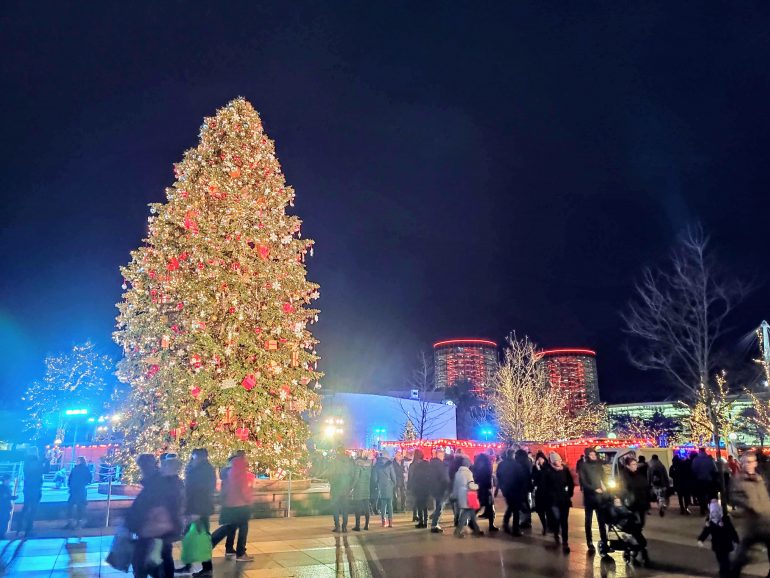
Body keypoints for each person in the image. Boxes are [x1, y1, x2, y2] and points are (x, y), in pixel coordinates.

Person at [126, 454, 183, 578]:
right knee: (161, 560)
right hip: (160, 531)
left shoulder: (156, 483)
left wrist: (131, 523)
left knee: (144, 564)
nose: (142, 469)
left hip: (155, 532)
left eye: (143, 466)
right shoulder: (158, 481)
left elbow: (145, 507)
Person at [176, 448, 217, 577]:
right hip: (193, 508)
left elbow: (204, 492)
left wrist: (197, 512)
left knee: (202, 538)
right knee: (190, 537)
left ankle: (206, 568)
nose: (195, 457)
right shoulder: (193, 468)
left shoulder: (205, 470)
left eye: (198, 456)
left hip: (199, 510)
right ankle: (189, 565)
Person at [730, 451, 770, 577]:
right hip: (752, 524)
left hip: (766, 521)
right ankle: (732, 574)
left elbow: (765, 496)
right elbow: (733, 496)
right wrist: (748, 503)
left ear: (756, 463)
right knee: (742, 555)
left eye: (752, 461)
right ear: (742, 464)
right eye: (747, 462)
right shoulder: (738, 480)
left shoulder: (760, 478)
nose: (750, 464)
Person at [211, 453, 254, 561]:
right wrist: (249, 500)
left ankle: (229, 549)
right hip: (240, 506)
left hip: (230, 505)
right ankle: (240, 553)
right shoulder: (241, 473)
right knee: (241, 528)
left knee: (230, 527)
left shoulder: (229, 472)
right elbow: (244, 490)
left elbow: (224, 489)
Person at [697, 499, 739, 578]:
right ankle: (725, 572)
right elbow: (706, 531)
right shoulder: (711, 521)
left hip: (725, 543)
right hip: (719, 544)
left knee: (724, 560)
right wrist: (701, 539)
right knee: (721, 559)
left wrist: (736, 540)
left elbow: (732, 530)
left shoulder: (725, 519)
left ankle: (725, 573)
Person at [578, 447, 608, 553]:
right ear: (587, 456)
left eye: (594, 455)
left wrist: (606, 486)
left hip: (600, 497)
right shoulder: (583, 466)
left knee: (602, 521)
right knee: (588, 521)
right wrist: (594, 489)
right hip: (590, 497)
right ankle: (589, 542)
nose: (594, 457)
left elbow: (604, 478)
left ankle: (604, 540)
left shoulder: (599, 466)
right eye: (591, 455)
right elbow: (584, 482)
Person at [543, 451, 574, 553]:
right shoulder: (548, 471)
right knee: (556, 519)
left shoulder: (565, 470)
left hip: (564, 499)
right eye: (556, 460)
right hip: (553, 500)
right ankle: (556, 533)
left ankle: (565, 541)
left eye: (559, 460)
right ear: (552, 462)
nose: (559, 462)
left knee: (564, 520)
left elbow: (570, 482)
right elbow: (545, 486)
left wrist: (569, 493)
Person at [452, 455, 482, 537]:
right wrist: (478, 486)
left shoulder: (458, 473)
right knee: (465, 514)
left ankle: (477, 530)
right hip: (468, 496)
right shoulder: (468, 473)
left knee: (471, 514)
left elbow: (455, 486)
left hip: (461, 495)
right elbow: (471, 485)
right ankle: (457, 531)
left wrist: (454, 495)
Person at [620, 456, 651, 529]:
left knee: (642, 522)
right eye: (633, 464)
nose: (635, 466)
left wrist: (648, 499)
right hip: (632, 504)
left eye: (636, 464)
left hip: (642, 503)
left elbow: (645, 487)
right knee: (636, 522)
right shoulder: (624, 476)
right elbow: (623, 489)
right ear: (628, 466)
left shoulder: (639, 474)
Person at [473, 452, 499, 532]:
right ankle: (491, 525)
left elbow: (475, 478)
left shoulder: (476, 467)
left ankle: (471, 521)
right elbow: (489, 478)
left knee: (480, 506)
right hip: (487, 489)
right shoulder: (487, 467)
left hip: (480, 488)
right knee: (489, 507)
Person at [20, 451, 44, 536]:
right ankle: (28, 529)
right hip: (36, 489)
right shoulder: (38, 465)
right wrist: (46, 461)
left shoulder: (26, 464)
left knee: (26, 507)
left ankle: (19, 527)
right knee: (33, 509)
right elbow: (45, 470)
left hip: (27, 489)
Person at [66, 456, 92, 529]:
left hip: (74, 490)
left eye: (78, 460)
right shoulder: (85, 469)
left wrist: (70, 486)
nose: (76, 461)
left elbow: (70, 478)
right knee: (80, 507)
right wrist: (84, 483)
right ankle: (78, 523)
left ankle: (71, 522)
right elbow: (89, 478)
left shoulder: (75, 469)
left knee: (70, 506)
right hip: (80, 489)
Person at [407, 449, 431, 528]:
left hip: (417, 487)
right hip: (425, 487)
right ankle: (425, 522)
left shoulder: (413, 465)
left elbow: (411, 477)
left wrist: (409, 486)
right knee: (425, 506)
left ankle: (420, 521)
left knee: (419, 505)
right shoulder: (426, 464)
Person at [428, 449, 450, 533]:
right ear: (439, 455)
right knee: (439, 507)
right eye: (442, 454)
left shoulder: (431, 464)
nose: (443, 456)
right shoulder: (441, 465)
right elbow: (444, 478)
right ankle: (434, 524)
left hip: (434, 488)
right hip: (441, 488)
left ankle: (434, 522)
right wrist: (448, 486)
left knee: (438, 505)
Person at [692, 448, 718, 516]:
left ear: (699, 451)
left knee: (701, 495)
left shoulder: (696, 460)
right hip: (709, 480)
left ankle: (702, 509)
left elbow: (693, 470)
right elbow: (715, 469)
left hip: (700, 480)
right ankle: (710, 508)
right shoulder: (709, 459)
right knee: (710, 495)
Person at [351, 452, 372, 531]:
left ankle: (357, 526)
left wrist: (351, 487)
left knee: (358, 508)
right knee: (367, 507)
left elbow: (356, 478)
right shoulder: (369, 466)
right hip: (366, 488)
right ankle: (367, 525)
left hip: (358, 489)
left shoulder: (358, 466)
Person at [531, 451, 551, 535]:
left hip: (547, 491)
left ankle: (549, 526)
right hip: (539, 491)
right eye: (538, 459)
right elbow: (534, 478)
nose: (540, 460)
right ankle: (544, 526)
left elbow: (545, 478)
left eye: (541, 458)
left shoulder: (548, 467)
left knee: (548, 510)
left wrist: (539, 470)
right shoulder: (535, 468)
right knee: (540, 510)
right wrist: (537, 468)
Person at [514, 449, 533, 529]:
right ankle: (527, 520)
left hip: (521, 487)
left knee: (523, 503)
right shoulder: (528, 462)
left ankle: (525, 521)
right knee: (525, 503)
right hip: (526, 486)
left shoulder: (519, 464)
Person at [0, 475, 17, 540]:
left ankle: (2, 534)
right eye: (9, 480)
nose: (9, 481)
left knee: (5, 520)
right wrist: (12, 497)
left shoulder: (6, 487)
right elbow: (4, 497)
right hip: (3, 507)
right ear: (6, 480)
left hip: (5, 507)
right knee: (3, 520)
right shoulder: (2, 488)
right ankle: (1, 535)